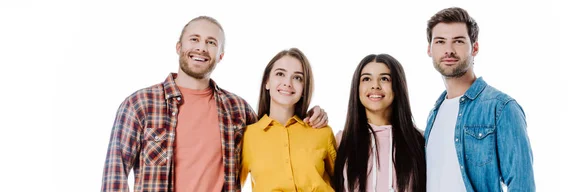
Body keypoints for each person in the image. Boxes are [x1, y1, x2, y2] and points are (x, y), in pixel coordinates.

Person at [101, 16, 328, 192]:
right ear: (179, 47)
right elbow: (115, 175)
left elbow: (275, 136)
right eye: (194, 39)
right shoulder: (139, 105)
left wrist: (311, 114)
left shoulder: (237, 110)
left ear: (220, 55)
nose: (201, 48)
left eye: (211, 43)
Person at [424, 7, 535, 192]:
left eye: (458, 41)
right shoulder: (435, 113)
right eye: (440, 41)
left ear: (474, 47)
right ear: (429, 49)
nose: (448, 50)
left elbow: (522, 184)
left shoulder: (501, 108)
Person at [240, 48, 336, 191]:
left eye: (297, 77)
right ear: (267, 81)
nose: (288, 83)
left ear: (304, 88)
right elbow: (231, 186)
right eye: (280, 74)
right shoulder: (248, 136)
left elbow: (345, 182)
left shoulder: (322, 132)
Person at [333, 54, 426, 192]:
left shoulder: (419, 140)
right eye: (366, 79)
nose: (375, 85)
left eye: (384, 79)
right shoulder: (341, 141)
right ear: (357, 88)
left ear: (397, 86)